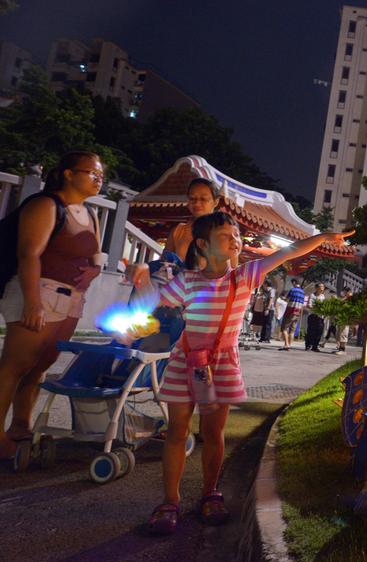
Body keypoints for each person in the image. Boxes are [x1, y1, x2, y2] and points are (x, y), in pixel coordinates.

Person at [127, 211, 351, 534]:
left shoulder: (245, 276)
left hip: (221, 366)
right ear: (203, 245)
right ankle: (170, 501)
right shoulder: (186, 281)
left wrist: (322, 238)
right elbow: (154, 304)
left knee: (214, 433)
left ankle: (210, 492)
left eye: (236, 236)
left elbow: (287, 252)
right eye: (226, 236)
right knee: (177, 431)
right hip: (185, 362)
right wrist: (142, 282)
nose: (235, 241)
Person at [0, 152, 103, 459]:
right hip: (39, 293)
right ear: (69, 174)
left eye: (101, 176)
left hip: (71, 300)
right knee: (14, 366)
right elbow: (29, 254)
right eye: (92, 174)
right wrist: (32, 303)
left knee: (40, 365)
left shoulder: (90, 213)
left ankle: (21, 425)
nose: (99, 180)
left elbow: (95, 257)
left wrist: (94, 270)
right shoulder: (46, 205)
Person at [279, 279, 305, 351]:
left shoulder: (292, 290)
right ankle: (289, 346)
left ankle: (286, 345)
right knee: (292, 331)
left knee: (284, 328)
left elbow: (287, 299)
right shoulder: (303, 292)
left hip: (290, 311)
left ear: (294, 282)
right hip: (298, 313)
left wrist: (282, 298)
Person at [304, 282, 326, 352]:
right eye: (321, 286)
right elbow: (309, 305)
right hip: (313, 315)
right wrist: (316, 308)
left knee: (319, 332)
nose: (322, 288)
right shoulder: (312, 295)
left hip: (320, 316)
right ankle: (308, 345)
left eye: (323, 287)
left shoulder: (323, 296)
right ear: (317, 288)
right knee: (310, 331)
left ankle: (315, 346)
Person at [335, 287, 353, 355]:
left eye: (345, 292)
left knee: (343, 333)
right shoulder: (346, 297)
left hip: (346, 318)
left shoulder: (350, 298)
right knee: (340, 333)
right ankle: (340, 348)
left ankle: (342, 349)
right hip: (341, 317)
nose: (344, 293)